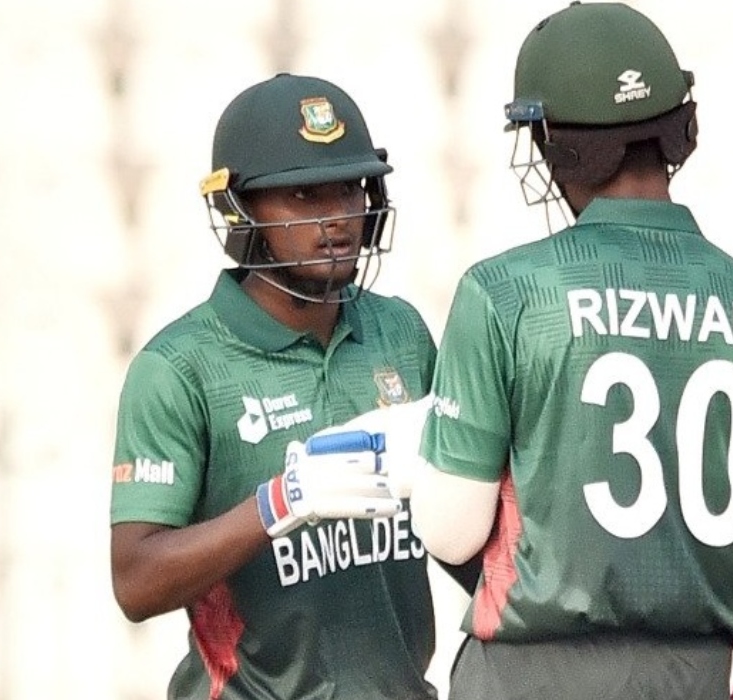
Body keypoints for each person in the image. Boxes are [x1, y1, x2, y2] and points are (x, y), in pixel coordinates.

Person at [410, 4, 733, 700]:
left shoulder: (504, 294)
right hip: (693, 677)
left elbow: (451, 532)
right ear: (678, 131)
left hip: (525, 679)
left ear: (560, 149)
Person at [109, 72, 475, 700]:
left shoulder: (400, 333)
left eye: (349, 190)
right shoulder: (178, 368)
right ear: (239, 210)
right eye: (303, 195)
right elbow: (136, 582)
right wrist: (282, 502)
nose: (337, 219)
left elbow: (453, 524)